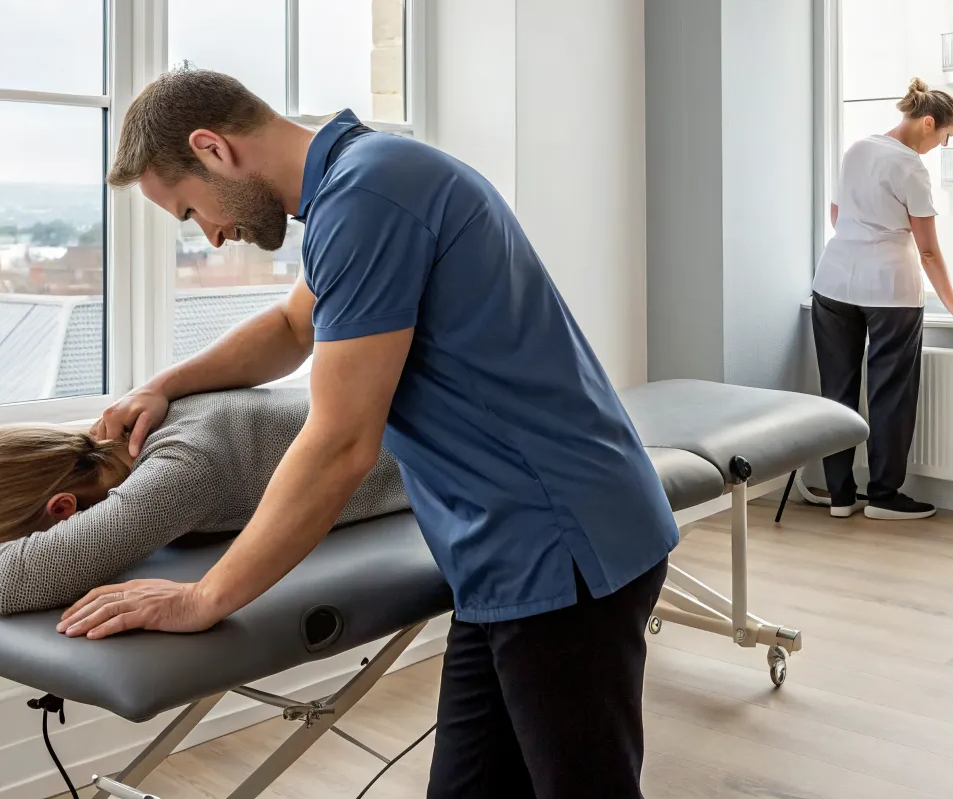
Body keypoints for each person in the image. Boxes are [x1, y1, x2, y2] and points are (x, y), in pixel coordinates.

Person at [57, 69, 678, 799]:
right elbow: (294, 327)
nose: (213, 232)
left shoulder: (366, 200)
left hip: (559, 548)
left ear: (213, 149)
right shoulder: (363, 177)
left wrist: (205, 597)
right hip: (505, 553)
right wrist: (163, 385)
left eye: (190, 210)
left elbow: (341, 444)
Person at [0, 388, 409, 617]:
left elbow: (10, 584)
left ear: (62, 509)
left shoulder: (179, 471)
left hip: (439, 465)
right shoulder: (126, 439)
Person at [804, 78, 953, 520]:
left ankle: (840, 496)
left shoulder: (857, 149)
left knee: (836, 390)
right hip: (889, 289)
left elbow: (838, 216)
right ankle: (883, 497)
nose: (940, 145)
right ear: (928, 122)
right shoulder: (912, 168)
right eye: (944, 137)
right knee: (889, 392)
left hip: (833, 281)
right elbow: (928, 249)